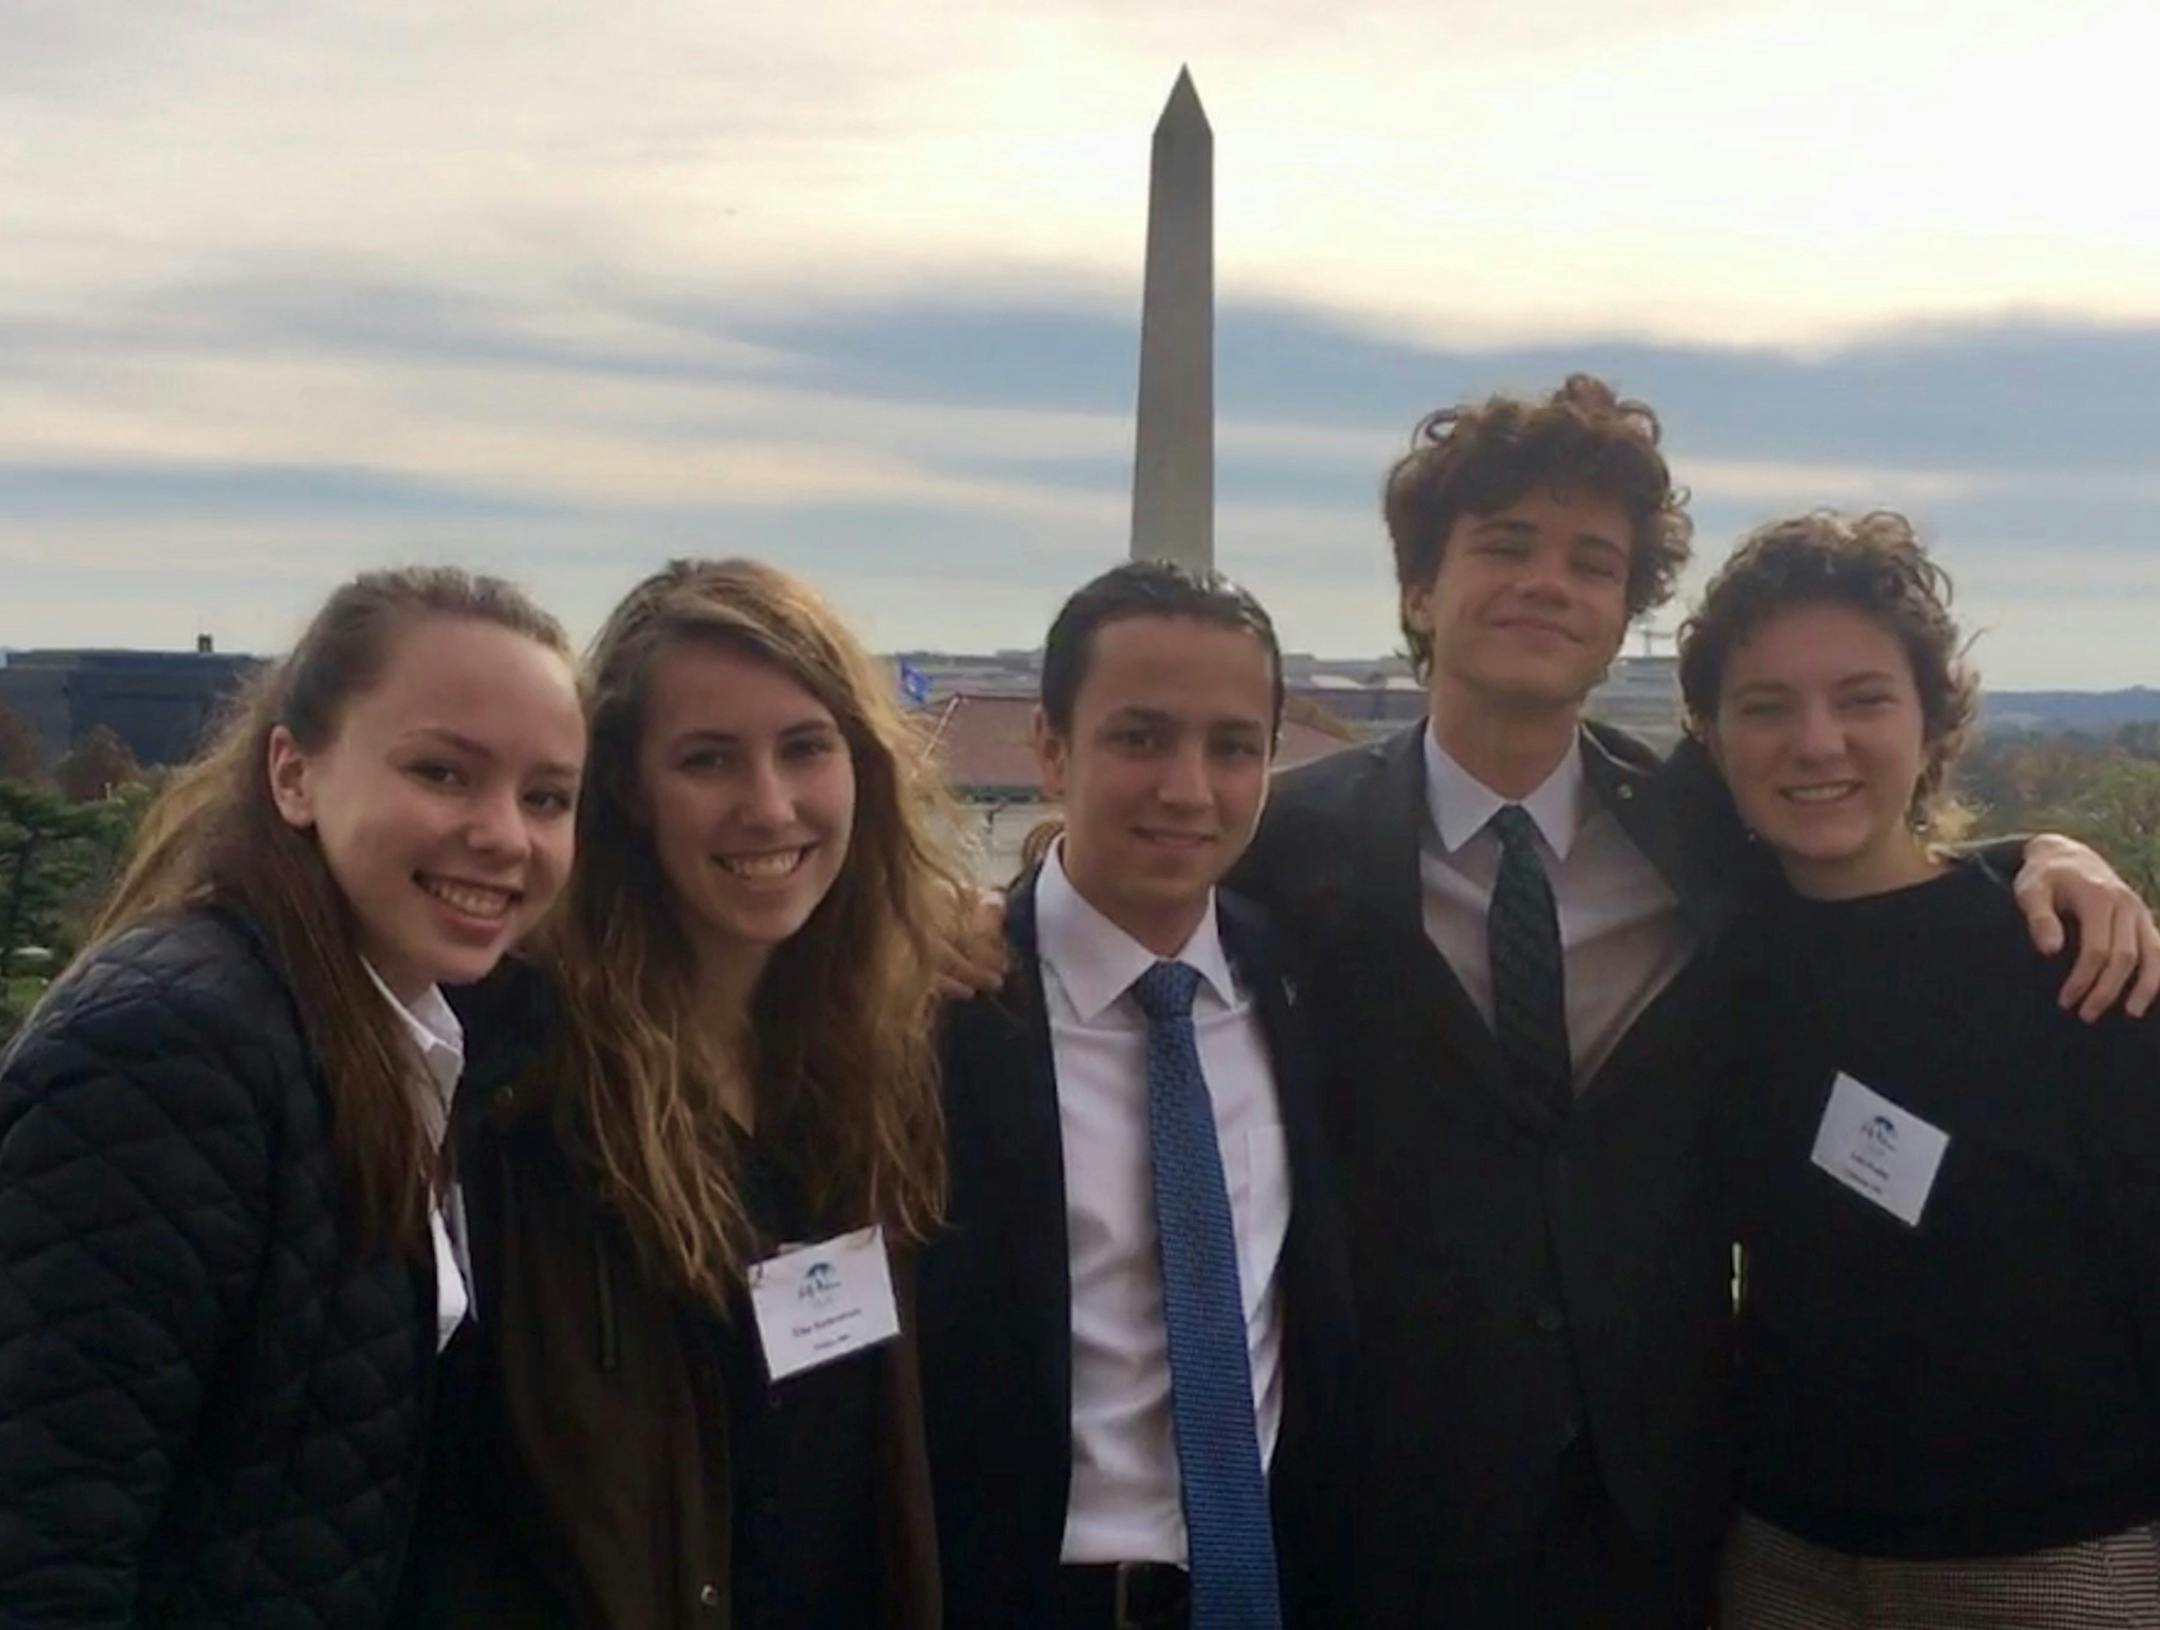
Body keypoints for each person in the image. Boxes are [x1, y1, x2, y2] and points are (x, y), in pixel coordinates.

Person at [1229, 375, 2160, 1627]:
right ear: (1416, 590)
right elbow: (1130, 907)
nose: (1547, 582)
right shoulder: (1284, 848)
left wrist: (2044, 856)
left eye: (1592, 562)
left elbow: (1882, 872)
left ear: (1623, 619)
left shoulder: (1697, 840)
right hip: (1391, 1510)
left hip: (1670, 1520)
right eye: (1505, 546)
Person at [0, 567, 586, 1628]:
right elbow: (47, 1547)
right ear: (293, 774)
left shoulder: (425, 1035)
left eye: (547, 796)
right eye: (444, 772)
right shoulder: (173, 1054)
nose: (506, 833)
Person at [450, 558, 969, 1630]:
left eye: (805, 748)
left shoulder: (882, 1049)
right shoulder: (518, 1081)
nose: (768, 806)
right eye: (708, 759)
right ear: (628, 790)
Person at [1680, 511, 2160, 1626]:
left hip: (2052, 1561)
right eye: (1765, 706)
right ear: (1709, 735)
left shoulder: (2071, 959)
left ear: (1933, 719)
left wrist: (2043, 854)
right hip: (1785, 1556)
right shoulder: (1711, 957)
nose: (1816, 741)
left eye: (1862, 699)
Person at [917, 560, 1355, 1630]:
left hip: (1266, 1587)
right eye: (1141, 737)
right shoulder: (935, 1005)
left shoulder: (1309, 981)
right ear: (1052, 747)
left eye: (1232, 746)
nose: (1188, 788)